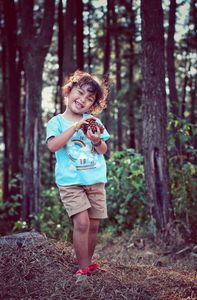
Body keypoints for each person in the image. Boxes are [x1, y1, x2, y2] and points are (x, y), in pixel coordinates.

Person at [46, 70, 110, 278]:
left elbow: (104, 149)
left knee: (93, 225)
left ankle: (87, 263)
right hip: (71, 182)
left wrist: (96, 141)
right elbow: (53, 146)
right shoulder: (56, 122)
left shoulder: (93, 121)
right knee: (81, 222)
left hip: (95, 180)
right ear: (68, 91)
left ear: (93, 104)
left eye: (89, 98)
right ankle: (82, 269)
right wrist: (74, 128)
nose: (82, 100)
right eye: (79, 92)